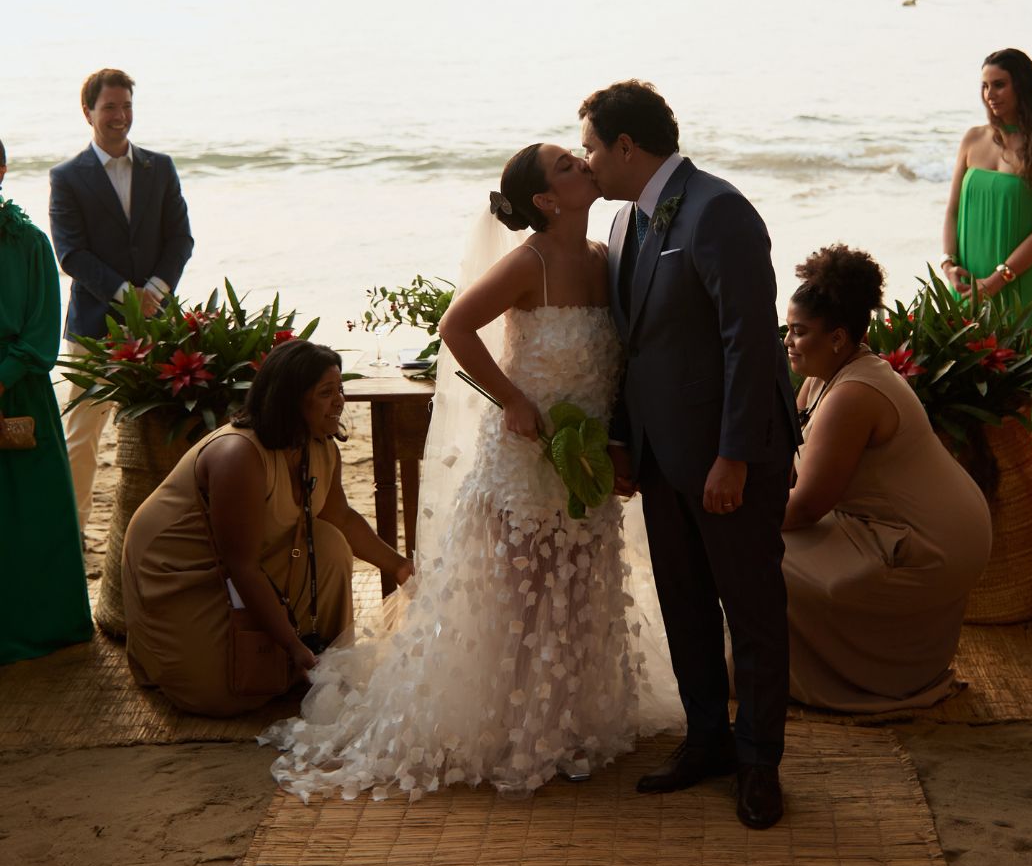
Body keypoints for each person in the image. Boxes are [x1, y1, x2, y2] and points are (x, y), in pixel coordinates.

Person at [264, 144, 679, 802]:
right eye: (567, 166)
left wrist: (615, 442)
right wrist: (512, 398)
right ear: (545, 200)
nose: (582, 164)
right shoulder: (527, 263)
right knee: (521, 595)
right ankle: (518, 731)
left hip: (583, 453)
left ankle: (569, 725)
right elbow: (455, 327)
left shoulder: (603, 258)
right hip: (523, 454)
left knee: (579, 591)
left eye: (578, 157)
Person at [580, 81, 800, 830]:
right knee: (683, 605)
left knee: (753, 608)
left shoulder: (719, 211)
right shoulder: (619, 225)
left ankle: (759, 760)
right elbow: (628, 344)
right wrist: (619, 437)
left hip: (727, 457)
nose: (586, 162)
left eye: (590, 147)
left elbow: (749, 340)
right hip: (658, 456)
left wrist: (733, 456)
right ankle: (705, 738)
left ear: (626, 147)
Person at [122, 340, 411, 716]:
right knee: (221, 695)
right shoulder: (238, 455)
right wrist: (291, 645)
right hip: (181, 575)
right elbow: (240, 565)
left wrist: (401, 567)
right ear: (291, 399)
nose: (339, 401)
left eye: (339, 389)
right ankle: (292, 655)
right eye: (326, 393)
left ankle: (319, 653)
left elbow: (339, 516)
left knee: (329, 542)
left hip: (245, 560)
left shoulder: (319, 445)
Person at [782, 246, 992, 712]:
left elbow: (804, 506)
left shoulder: (852, 394)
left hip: (933, 544)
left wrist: (731, 517)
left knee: (760, 555)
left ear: (837, 337)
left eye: (799, 332)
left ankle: (867, 675)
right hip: (898, 523)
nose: (788, 342)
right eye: (788, 329)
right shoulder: (823, 376)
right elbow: (781, 449)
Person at [49, 67, 194, 531]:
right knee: (82, 437)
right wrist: (124, 295)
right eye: (109, 106)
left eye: (126, 105)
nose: (120, 116)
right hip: (94, 327)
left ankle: (166, 529)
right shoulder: (68, 177)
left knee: (160, 431)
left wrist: (153, 292)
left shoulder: (160, 167)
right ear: (88, 111)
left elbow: (180, 240)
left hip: (156, 324)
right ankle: (71, 534)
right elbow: (71, 253)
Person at [942, 48, 1032, 539]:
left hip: (1021, 284)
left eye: (998, 84)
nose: (989, 95)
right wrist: (952, 265)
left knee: (1030, 390)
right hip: (968, 284)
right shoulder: (972, 140)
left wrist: (996, 281)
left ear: (1022, 87)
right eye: (984, 86)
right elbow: (952, 209)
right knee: (969, 390)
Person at [0, 157, 93, 664]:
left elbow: (40, 335)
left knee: (34, 515)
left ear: (2, 170)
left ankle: (45, 626)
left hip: (22, 393)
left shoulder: (30, 242)